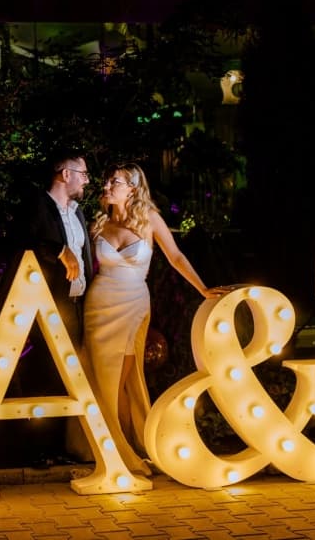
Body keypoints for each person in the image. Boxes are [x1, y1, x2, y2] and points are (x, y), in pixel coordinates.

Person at [84, 162, 229, 472]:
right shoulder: (97, 224)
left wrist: (201, 288)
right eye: (107, 181)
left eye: (115, 182)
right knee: (103, 378)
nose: (107, 186)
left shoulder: (149, 219)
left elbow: (175, 255)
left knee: (124, 378)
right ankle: (115, 449)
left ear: (133, 189)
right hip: (99, 304)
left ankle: (127, 445)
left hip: (133, 303)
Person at [14, 150, 95, 465]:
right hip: (47, 306)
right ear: (65, 173)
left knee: (68, 377)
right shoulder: (36, 205)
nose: (86, 180)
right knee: (44, 375)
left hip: (75, 305)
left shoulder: (77, 212)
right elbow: (23, 240)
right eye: (83, 173)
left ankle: (60, 447)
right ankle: (38, 450)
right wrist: (58, 249)